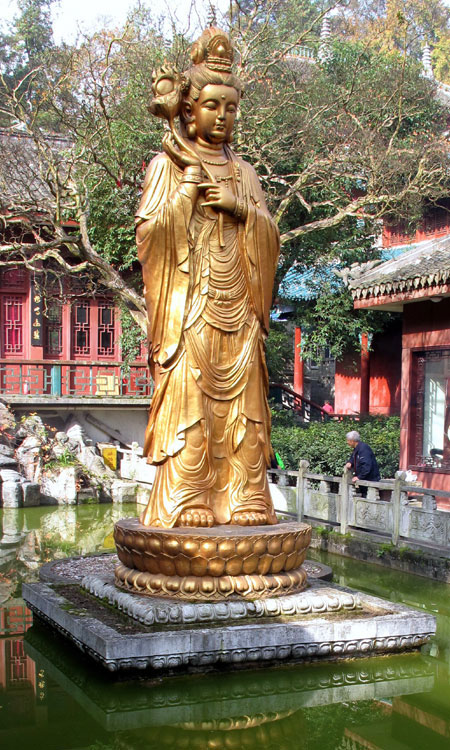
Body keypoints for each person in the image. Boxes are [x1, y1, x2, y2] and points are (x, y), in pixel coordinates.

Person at [136, 27, 279, 529]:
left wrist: (241, 209)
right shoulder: (167, 165)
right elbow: (150, 236)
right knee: (190, 402)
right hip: (192, 306)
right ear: (188, 109)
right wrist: (188, 189)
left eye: (231, 108)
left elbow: (269, 236)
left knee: (245, 408)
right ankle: (187, 496)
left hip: (239, 304)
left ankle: (246, 497)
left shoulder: (246, 174)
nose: (222, 116)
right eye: (212, 105)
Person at [345, 430, 380, 495]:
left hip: (370, 480)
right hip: (363, 480)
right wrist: (350, 462)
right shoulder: (356, 449)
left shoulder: (364, 449)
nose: (347, 442)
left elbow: (367, 465)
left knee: (367, 497)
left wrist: (359, 477)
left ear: (352, 441)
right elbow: (353, 458)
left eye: (348, 440)